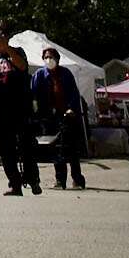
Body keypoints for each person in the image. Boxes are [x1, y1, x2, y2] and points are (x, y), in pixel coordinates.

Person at [0, 21, 41, 197]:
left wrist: (7, 49)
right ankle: (15, 183)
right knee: (5, 147)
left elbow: (22, 66)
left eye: (0, 35)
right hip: (0, 106)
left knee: (26, 144)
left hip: (20, 104)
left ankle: (32, 179)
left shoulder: (17, 51)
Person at [31, 47, 86, 190]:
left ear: (57, 59)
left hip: (68, 116)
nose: (49, 60)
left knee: (72, 149)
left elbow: (74, 94)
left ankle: (77, 180)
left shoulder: (66, 74)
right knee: (56, 150)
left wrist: (71, 109)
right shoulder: (39, 75)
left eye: (51, 57)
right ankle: (60, 180)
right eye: (46, 57)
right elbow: (34, 96)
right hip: (50, 118)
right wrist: (36, 113)